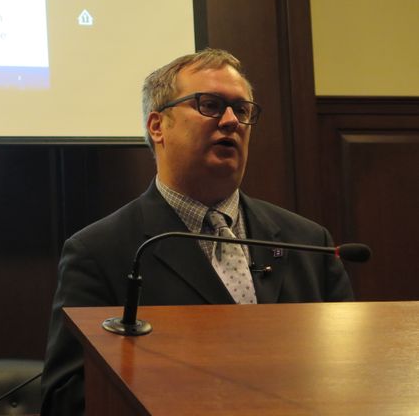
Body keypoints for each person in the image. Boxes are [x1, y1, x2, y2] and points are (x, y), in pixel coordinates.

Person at [40, 48, 353, 415]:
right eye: (209, 104)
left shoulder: (308, 242)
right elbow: (67, 400)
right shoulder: (100, 251)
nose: (231, 121)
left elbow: (351, 370)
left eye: (243, 109)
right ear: (157, 126)